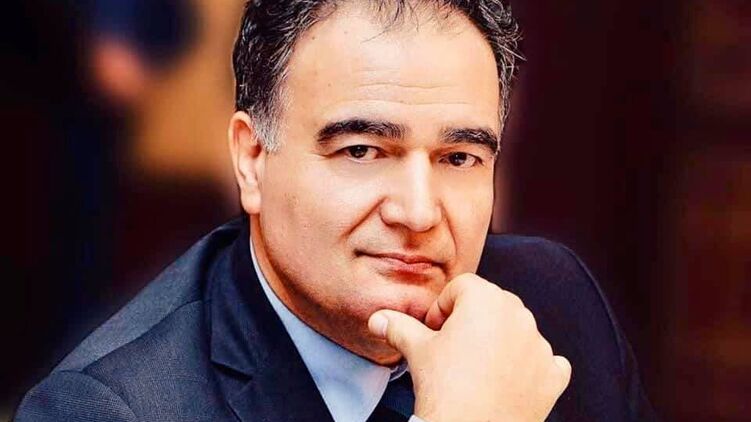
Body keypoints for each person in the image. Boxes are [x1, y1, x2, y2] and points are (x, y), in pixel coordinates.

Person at [14, 1, 656, 421]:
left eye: (459, 158)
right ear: (252, 161)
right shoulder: (110, 408)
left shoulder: (555, 305)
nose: (418, 212)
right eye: (362, 151)